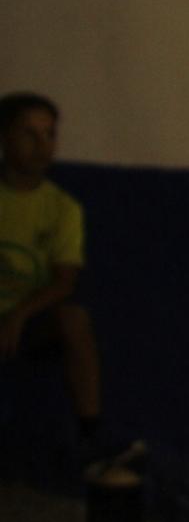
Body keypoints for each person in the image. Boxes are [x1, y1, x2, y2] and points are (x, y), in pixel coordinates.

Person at [0, 91, 107, 450]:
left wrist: (18, 315)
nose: (42, 145)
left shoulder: (62, 208)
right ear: (5, 137)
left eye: (49, 134)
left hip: (26, 324)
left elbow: (65, 281)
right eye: (29, 134)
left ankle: (90, 440)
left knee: (74, 319)